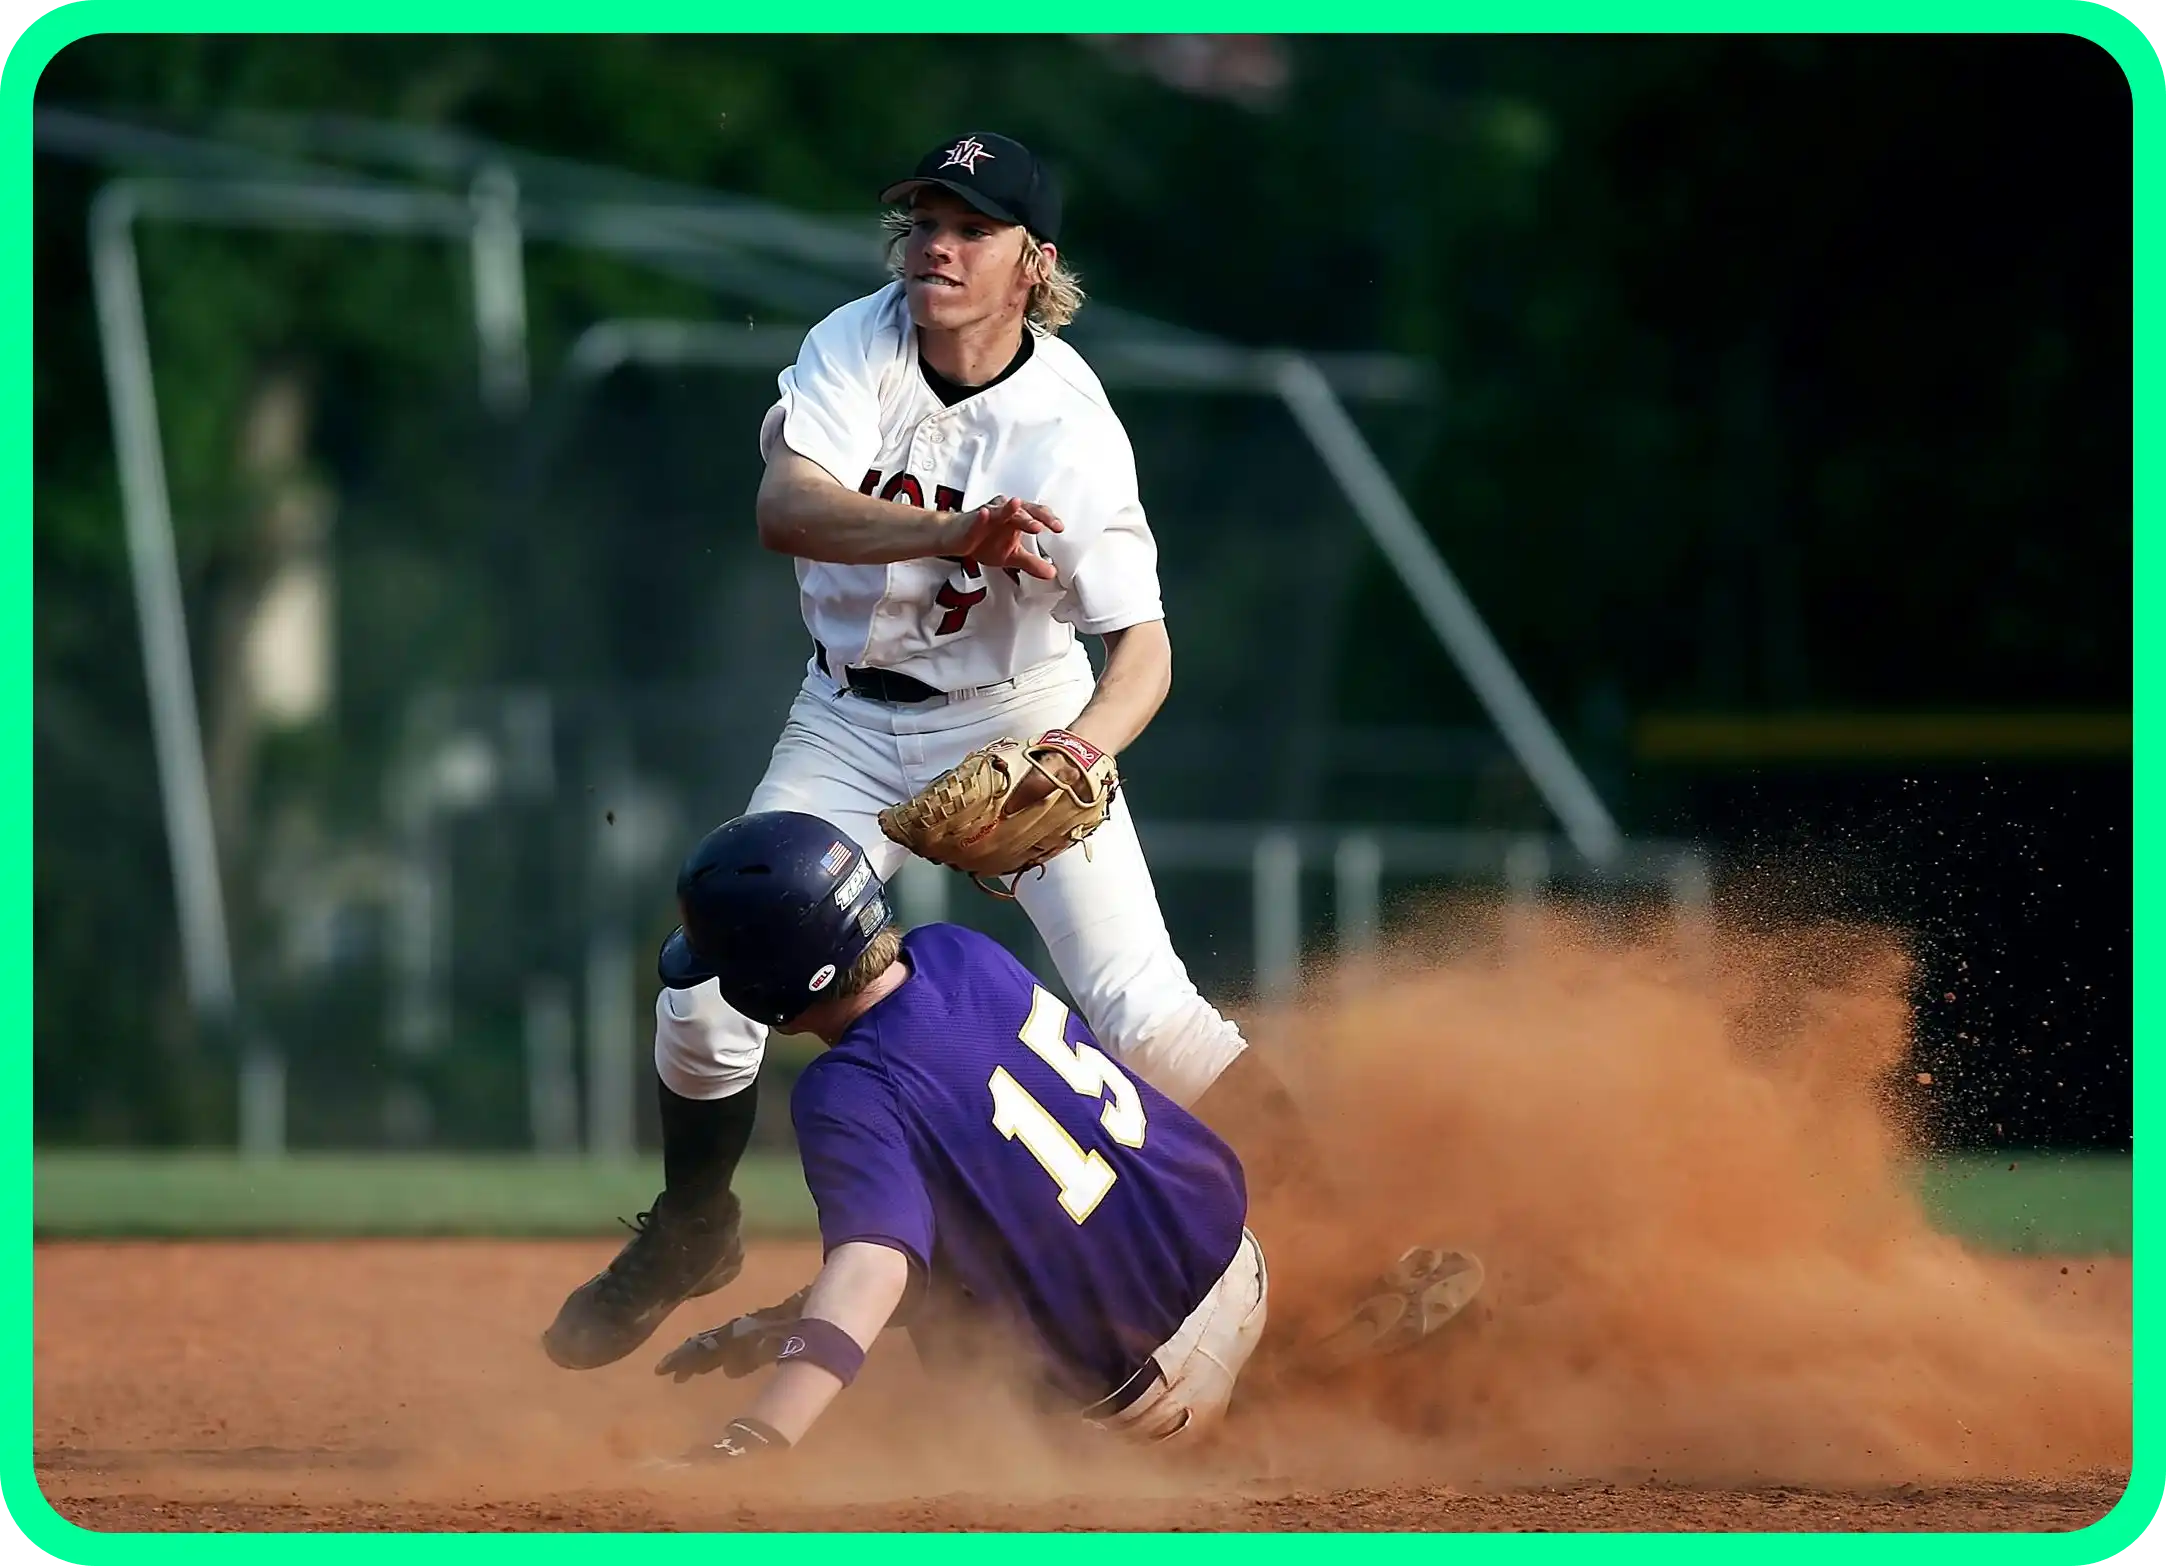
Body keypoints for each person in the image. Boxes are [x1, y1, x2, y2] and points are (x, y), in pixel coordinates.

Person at [542, 129, 1320, 1374]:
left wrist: (1074, 756)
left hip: (1016, 713)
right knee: (706, 989)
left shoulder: (1071, 428)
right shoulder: (856, 343)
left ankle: (1344, 1233)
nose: (936, 248)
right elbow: (785, 509)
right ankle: (692, 1224)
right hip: (844, 722)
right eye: (923, 222)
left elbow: (1145, 653)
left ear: (1034, 263)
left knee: (1142, 1011)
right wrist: (960, 531)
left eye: (970, 229)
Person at [644, 812, 1268, 1459]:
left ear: (765, 985)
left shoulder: (845, 1087)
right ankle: (1276, 1385)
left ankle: (1163, 1446)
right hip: (1241, 1268)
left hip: (1151, 1394)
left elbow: (875, 1267)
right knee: (953, 1222)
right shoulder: (958, 951)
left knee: (955, 1354)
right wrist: (784, 1322)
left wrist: (756, 1437)